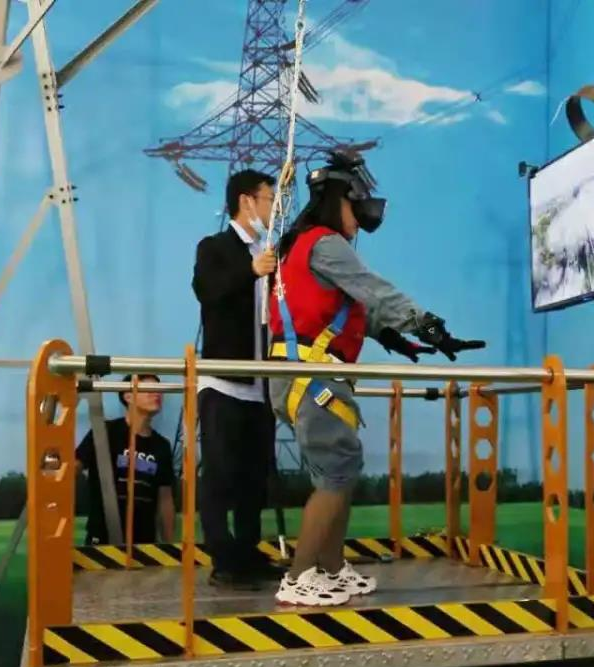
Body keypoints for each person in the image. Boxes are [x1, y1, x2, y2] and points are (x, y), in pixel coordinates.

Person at [267, 151, 484, 606]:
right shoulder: (326, 243)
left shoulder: (299, 246)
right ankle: (299, 576)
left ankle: (330, 569)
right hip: (313, 374)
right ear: (338, 200)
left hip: (301, 371)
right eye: (356, 202)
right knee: (336, 469)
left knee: (340, 468)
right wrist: (427, 325)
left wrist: (394, 338)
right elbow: (375, 290)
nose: (362, 213)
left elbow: (346, 308)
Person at [192, 168, 283, 588]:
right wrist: (251, 270)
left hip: (262, 384)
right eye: (269, 199)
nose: (273, 208)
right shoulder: (214, 247)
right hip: (224, 381)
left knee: (254, 477)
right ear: (247, 201)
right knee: (220, 474)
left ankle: (248, 553)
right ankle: (222, 558)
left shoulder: (271, 252)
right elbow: (208, 290)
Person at [75, 374, 176, 545]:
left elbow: (165, 499)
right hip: (102, 537)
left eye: (159, 390)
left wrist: (170, 546)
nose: (157, 394)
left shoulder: (162, 445)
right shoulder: (104, 431)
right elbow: (73, 468)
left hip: (145, 544)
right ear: (128, 396)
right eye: (149, 389)